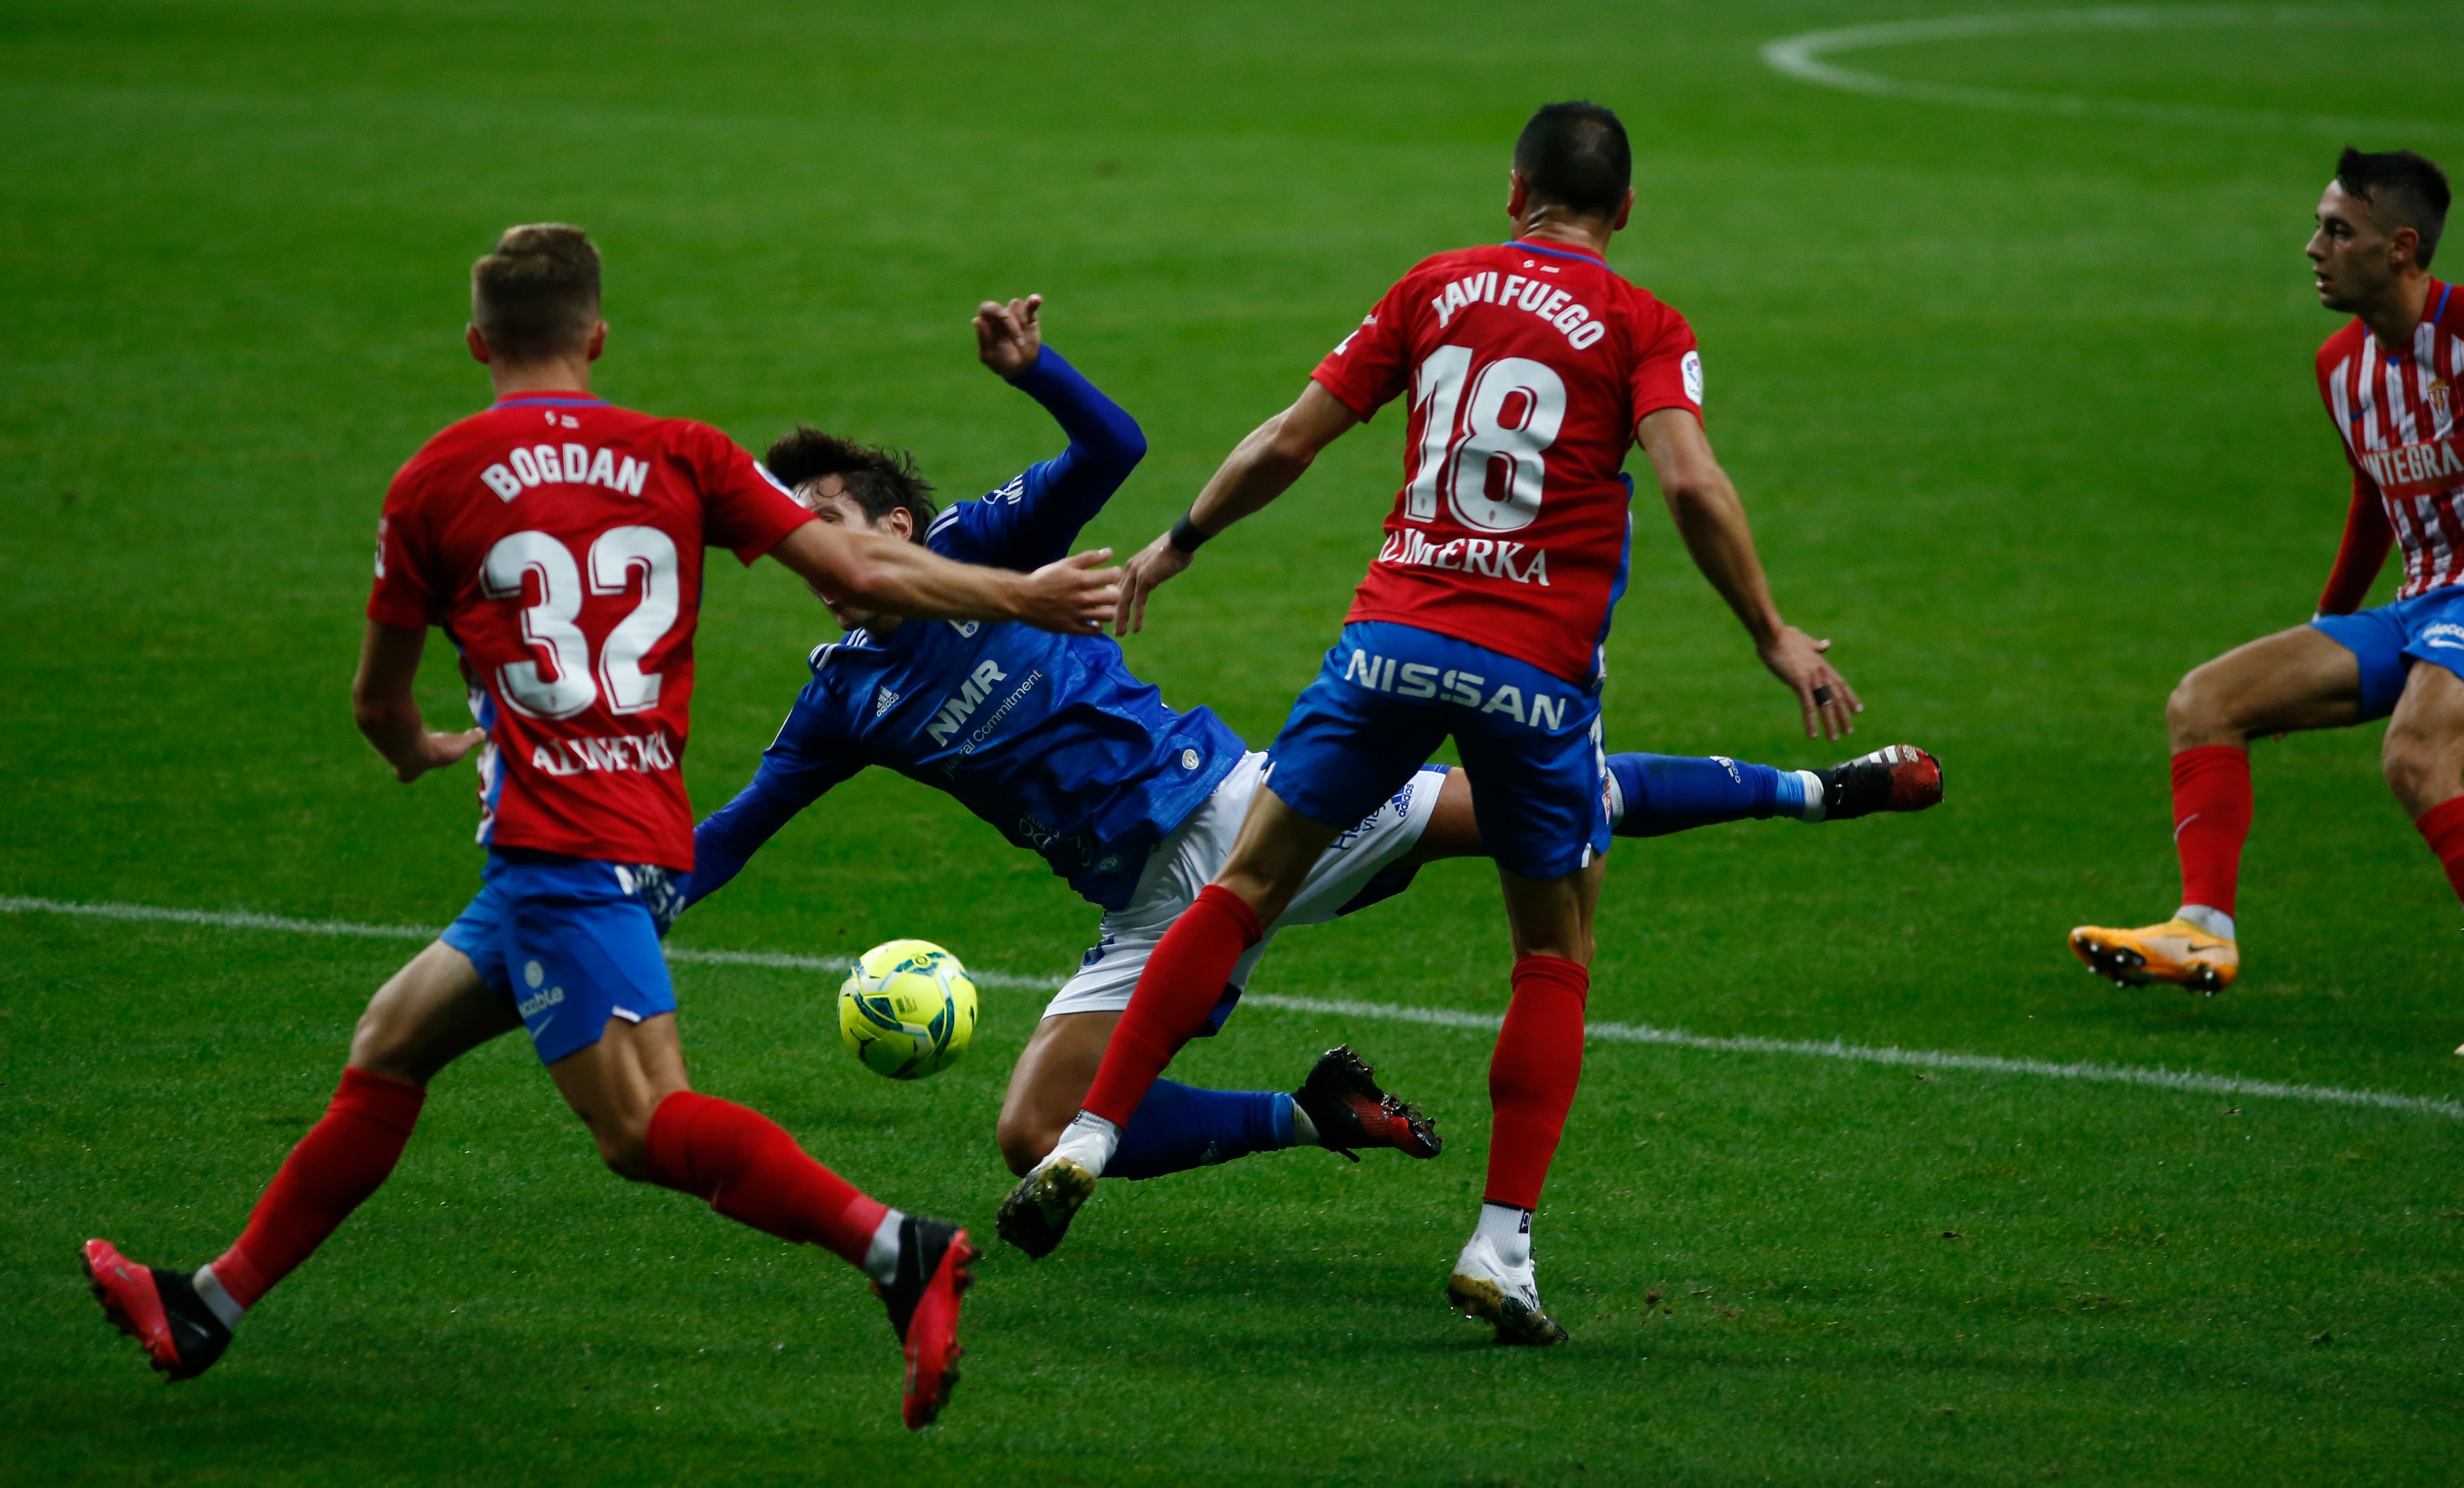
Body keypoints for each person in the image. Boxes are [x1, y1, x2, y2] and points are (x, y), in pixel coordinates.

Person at [78, 225, 1120, 1429]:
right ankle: (208, 1302)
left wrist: (416, 749)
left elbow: (377, 701)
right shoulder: (679, 453)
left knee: (640, 1128)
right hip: (621, 825)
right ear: (597, 338)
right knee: (391, 1042)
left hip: (557, 844)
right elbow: (868, 574)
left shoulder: (433, 480)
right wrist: (1026, 594)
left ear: (478, 343)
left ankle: (900, 1250)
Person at [683, 294, 1944, 1207]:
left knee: (1544, 806)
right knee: (1030, 1129)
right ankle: (1313, 1111)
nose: (818, 560)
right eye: (797, 543)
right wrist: (610, 898)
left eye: (831, 526)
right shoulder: (840, 699)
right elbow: (733, 834)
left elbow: (1110, 451)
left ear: (895, 524)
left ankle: (1812, 792)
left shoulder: (983, 545)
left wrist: (1036, 368)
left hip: (1245, 817)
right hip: (1138, 910)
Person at [995, 102, 1871, 1347]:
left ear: (1513, 191)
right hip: (1533, 671)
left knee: (1244, 886)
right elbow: (1688, 479)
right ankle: (1498, 1246)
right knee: (1551, 950)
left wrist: (1177, 545)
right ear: (1623, 211)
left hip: (1389, 644)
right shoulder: (1643, 324)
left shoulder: (1435, 286)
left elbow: (1291, 439)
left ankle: (1088, 1134)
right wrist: (1773, 633)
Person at [2070, 149, 2463, 999]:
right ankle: (2201, 933)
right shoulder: (2340, 367)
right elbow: (2372, 500)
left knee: (2418, 752)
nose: (2313, 248)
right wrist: (2327, 626)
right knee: (2207, 702)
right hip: (2422, 602)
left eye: (2336, 231)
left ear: (2400, 247)